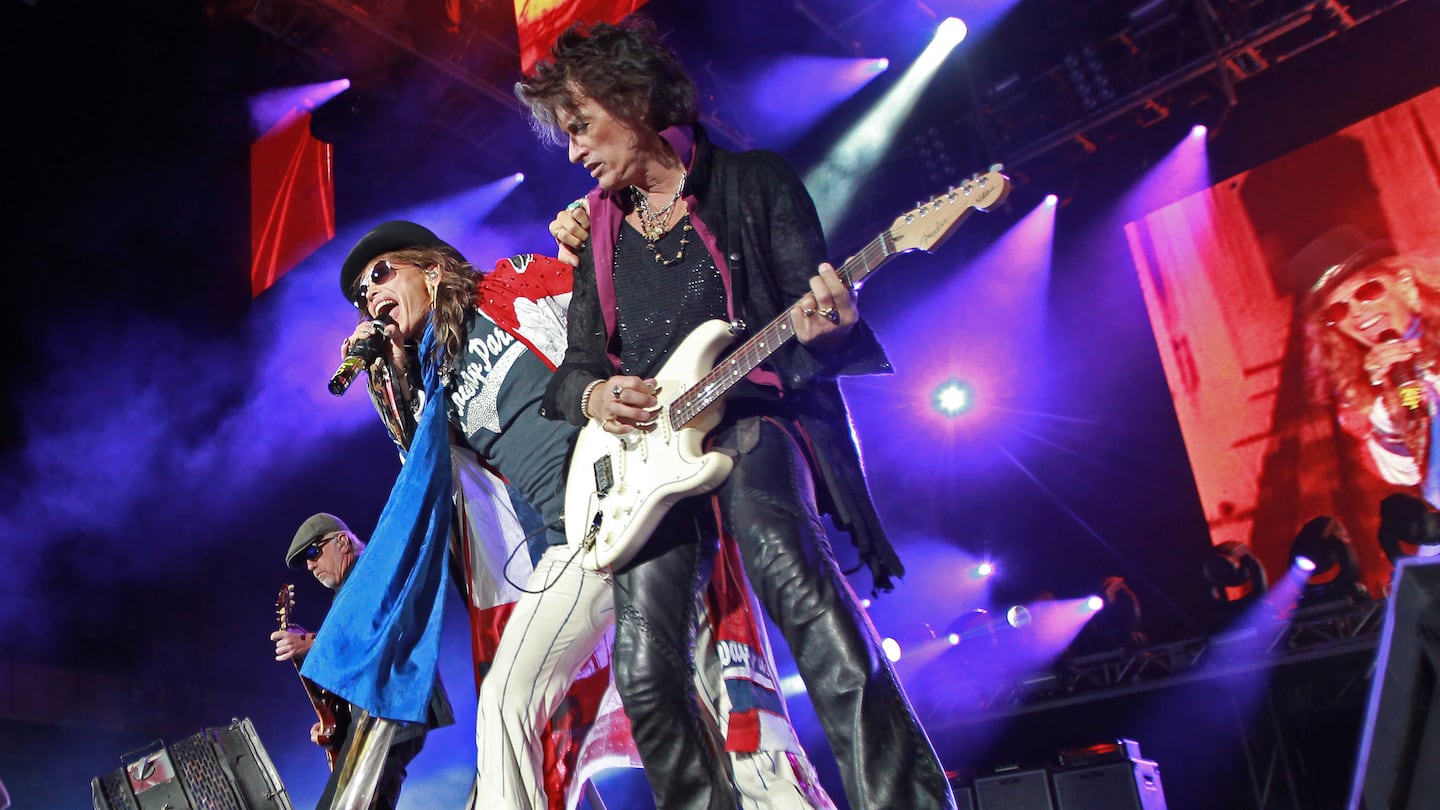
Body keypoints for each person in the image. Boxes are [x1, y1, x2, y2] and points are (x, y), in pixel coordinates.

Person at [516, 17, 954, 810]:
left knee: (801, 594)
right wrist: (593, 395)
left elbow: (807, 317)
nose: (574, 151)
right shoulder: (602, 235)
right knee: (645, 675)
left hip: (751, 415)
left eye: (581, 126)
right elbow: (577, 367)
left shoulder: (754, 182)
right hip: (648, 461)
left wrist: (834, 327)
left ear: (632, 97)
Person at [332, 220, 835, 810]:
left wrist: (595, 229)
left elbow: (614, 300)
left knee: (733, 706)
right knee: (506, 702)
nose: (370, 297)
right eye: (362, 295)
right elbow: (423, 478)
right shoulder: (430, 387)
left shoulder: (510, 285)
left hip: (648, 486)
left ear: (434, 267)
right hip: (574, 543)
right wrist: (387, 376)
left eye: (380, 274)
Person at [271, 512, 449, 810]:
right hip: (377, 714)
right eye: (306, 561)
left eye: (313, 551)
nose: (311, 565)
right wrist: (334, 723)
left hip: (391, 709)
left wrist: (311, 643)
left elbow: (374, 628)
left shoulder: (373, 571)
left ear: (342, 541)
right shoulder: (347, 592)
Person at [1300, 227, 1440, 506]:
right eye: (1337, 310)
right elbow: (1408, 473)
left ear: (1404, 284)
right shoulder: (1361, 395)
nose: (1357, 313)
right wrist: (1389, 404)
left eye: (1368, 290)